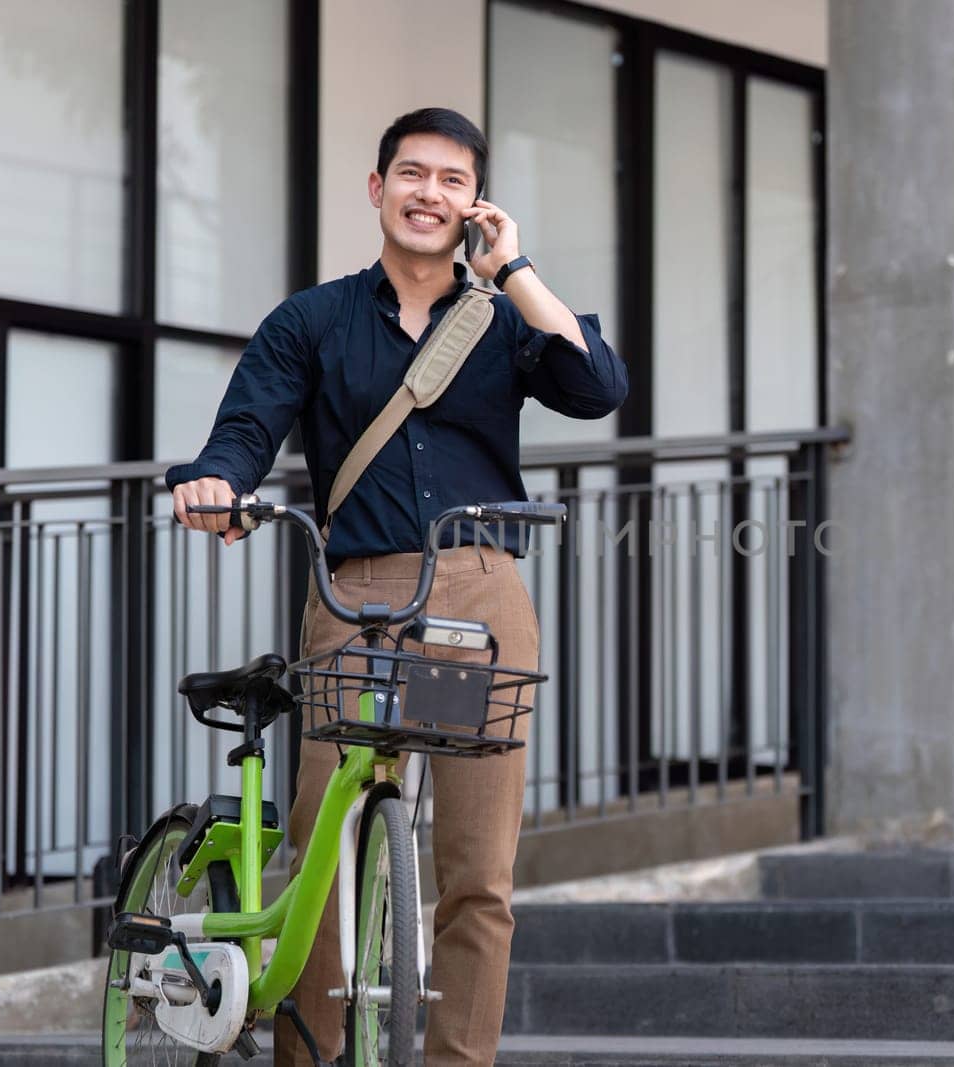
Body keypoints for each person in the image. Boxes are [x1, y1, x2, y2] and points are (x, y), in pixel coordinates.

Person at [166, 106, 628, 1066]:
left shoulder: (502, 320)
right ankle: (312, 1056)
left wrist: (515, 269)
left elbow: (599, 386)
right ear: (377, 190)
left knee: (478, 872)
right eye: (411, 174)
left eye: (452, 181)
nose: (430, 194)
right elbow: (246, 430)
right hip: (359, 597)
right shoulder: (314, 320)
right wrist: (216, 482)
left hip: (478, 596)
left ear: (475, 205)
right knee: (322, 852)